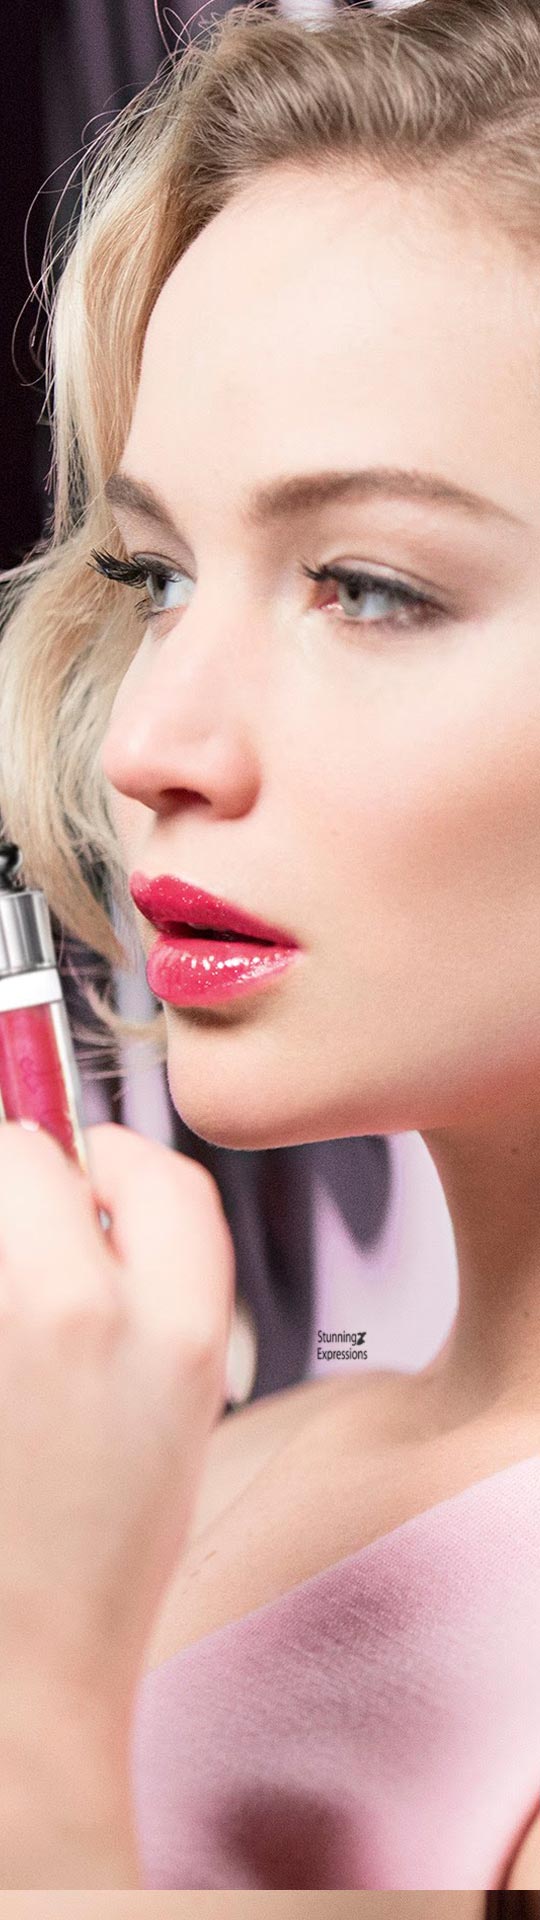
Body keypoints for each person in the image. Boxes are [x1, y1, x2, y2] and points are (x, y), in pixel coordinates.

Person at [0, 0, 539, 1899]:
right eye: (152, 575)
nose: (150, 742)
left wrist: (38, 1693)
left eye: (367, 586)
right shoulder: (175, 1477)